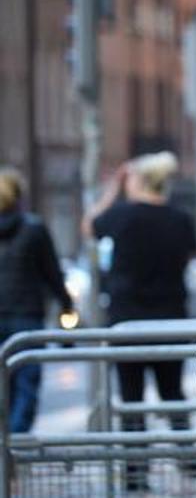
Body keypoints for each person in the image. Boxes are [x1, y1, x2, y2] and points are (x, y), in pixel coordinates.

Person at [83, 151, 196, 489]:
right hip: (170, 322)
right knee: (173, 394)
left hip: (127, 323)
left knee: (132, 401)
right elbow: (189, 255)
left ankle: (136, 475)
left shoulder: (120, 215)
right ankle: (190, 465)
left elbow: (89, 225)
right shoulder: (180, 219)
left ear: (137, 181)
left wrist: (111, 189)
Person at [0, 167, 74, 433]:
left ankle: (4, 450)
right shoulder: (34, 229)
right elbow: (52, 273)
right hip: (27, 316)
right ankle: (16, 442)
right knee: (26, 384)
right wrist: (66, 305)